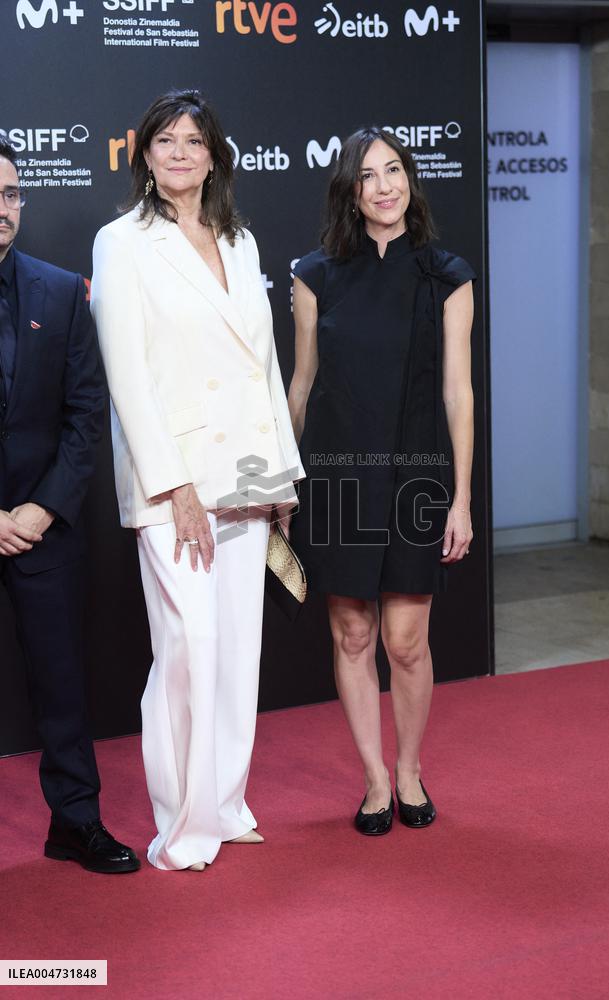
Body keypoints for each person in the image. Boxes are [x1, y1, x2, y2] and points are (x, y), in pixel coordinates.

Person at [91, 90, 303, 871]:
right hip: (175, 482)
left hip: (245, 471)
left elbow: (263, 364)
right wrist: (171, 485)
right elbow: (128, 375)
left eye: (195, 140)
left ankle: (225, 803)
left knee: (237, 649)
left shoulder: (240, 241)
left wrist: (278, 473)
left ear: (215, 156)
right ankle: (183, 826)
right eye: (165, 141)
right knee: (190, 646)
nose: (181, 152)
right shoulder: (121, 243)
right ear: (144, 155)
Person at [288, 127, 475, 835]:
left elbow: (459, 393)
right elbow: (301, 387)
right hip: (337, 478)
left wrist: (461, 496)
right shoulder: (316, 274)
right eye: (368, 176)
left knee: (405, 641)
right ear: (350, 191)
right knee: (353, 635)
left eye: (393, 170)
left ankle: (409, 771)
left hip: (415, 476)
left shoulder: (446, 274)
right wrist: (281, 484)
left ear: (409, 179)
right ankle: (373, 780)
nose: (385, 186)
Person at [0, 139, 139, 873]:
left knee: (61, 682)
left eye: (12, 193)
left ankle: (75, 821)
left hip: (43, 527)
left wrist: (39, 511)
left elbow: (88, 415)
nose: (2, 208)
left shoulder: (59, 291)